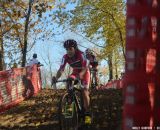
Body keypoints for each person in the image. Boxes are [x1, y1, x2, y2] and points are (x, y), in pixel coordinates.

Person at [52, 39, 91, 124]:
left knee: (84, 91)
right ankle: (69, 106)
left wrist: (80, 76)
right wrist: (56, 78)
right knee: (69, 82)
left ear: (75, 48)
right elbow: (61, 69)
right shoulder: (65, 57)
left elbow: (85, 68)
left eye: (70, 49)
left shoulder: (81, 54)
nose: (68, 51)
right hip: (75, 72)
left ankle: (87, 113)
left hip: (84, 73)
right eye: (67, 49)